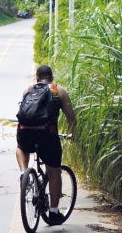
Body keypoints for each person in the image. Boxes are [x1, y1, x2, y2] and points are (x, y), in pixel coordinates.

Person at [16, 65, 77, 224]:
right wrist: (74, 134)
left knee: (21, 148)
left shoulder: (28, 90)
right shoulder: (59, 91)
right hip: (47, 136)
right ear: (52, 77)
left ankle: (24, 172)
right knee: (54, 172)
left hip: (25, 133)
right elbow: (71, 117)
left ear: (37, 78)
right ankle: (54, 212)